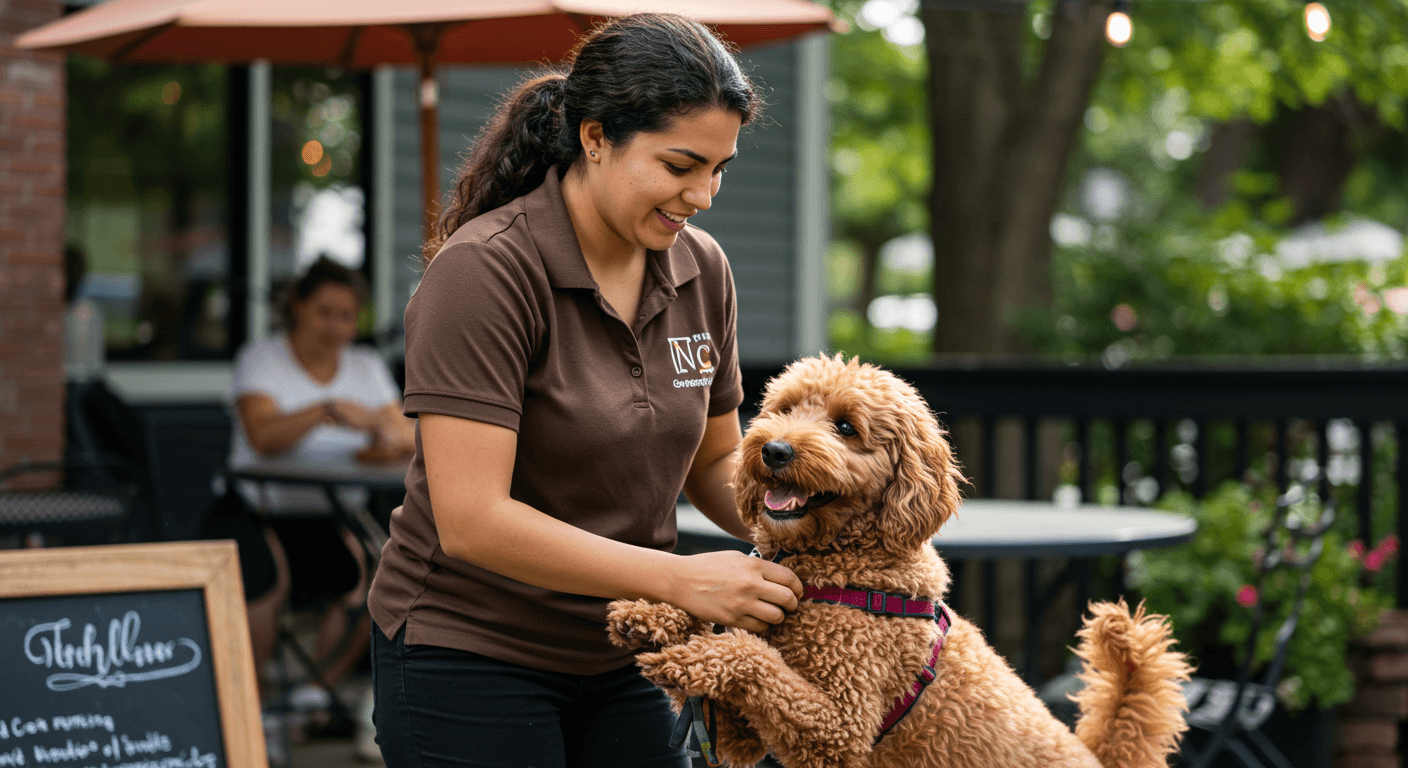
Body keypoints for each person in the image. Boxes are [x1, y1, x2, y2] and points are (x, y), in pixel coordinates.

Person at [366, 13, 803, 768]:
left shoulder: (703, 270)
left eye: (720, 167)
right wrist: (681, 578)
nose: (704, 194)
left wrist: (826, 527)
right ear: (595, 138)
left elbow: (713, 464)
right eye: (679, 166)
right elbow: (473, 519)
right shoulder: (486, 272)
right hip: (471, 650)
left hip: (628, 643)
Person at [224, 256, 414, 720]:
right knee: (263, 583)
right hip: (257, 509)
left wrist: (378, 445)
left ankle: (312, 695)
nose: (335, 327)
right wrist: (327, 410)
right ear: (298, 308)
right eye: (324, 313)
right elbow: (263, 437)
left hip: (334, 514)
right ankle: (246, 707)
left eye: (346, 316)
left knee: (380, 576)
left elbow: (407, 437)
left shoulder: (366, 366)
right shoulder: (263, 358)